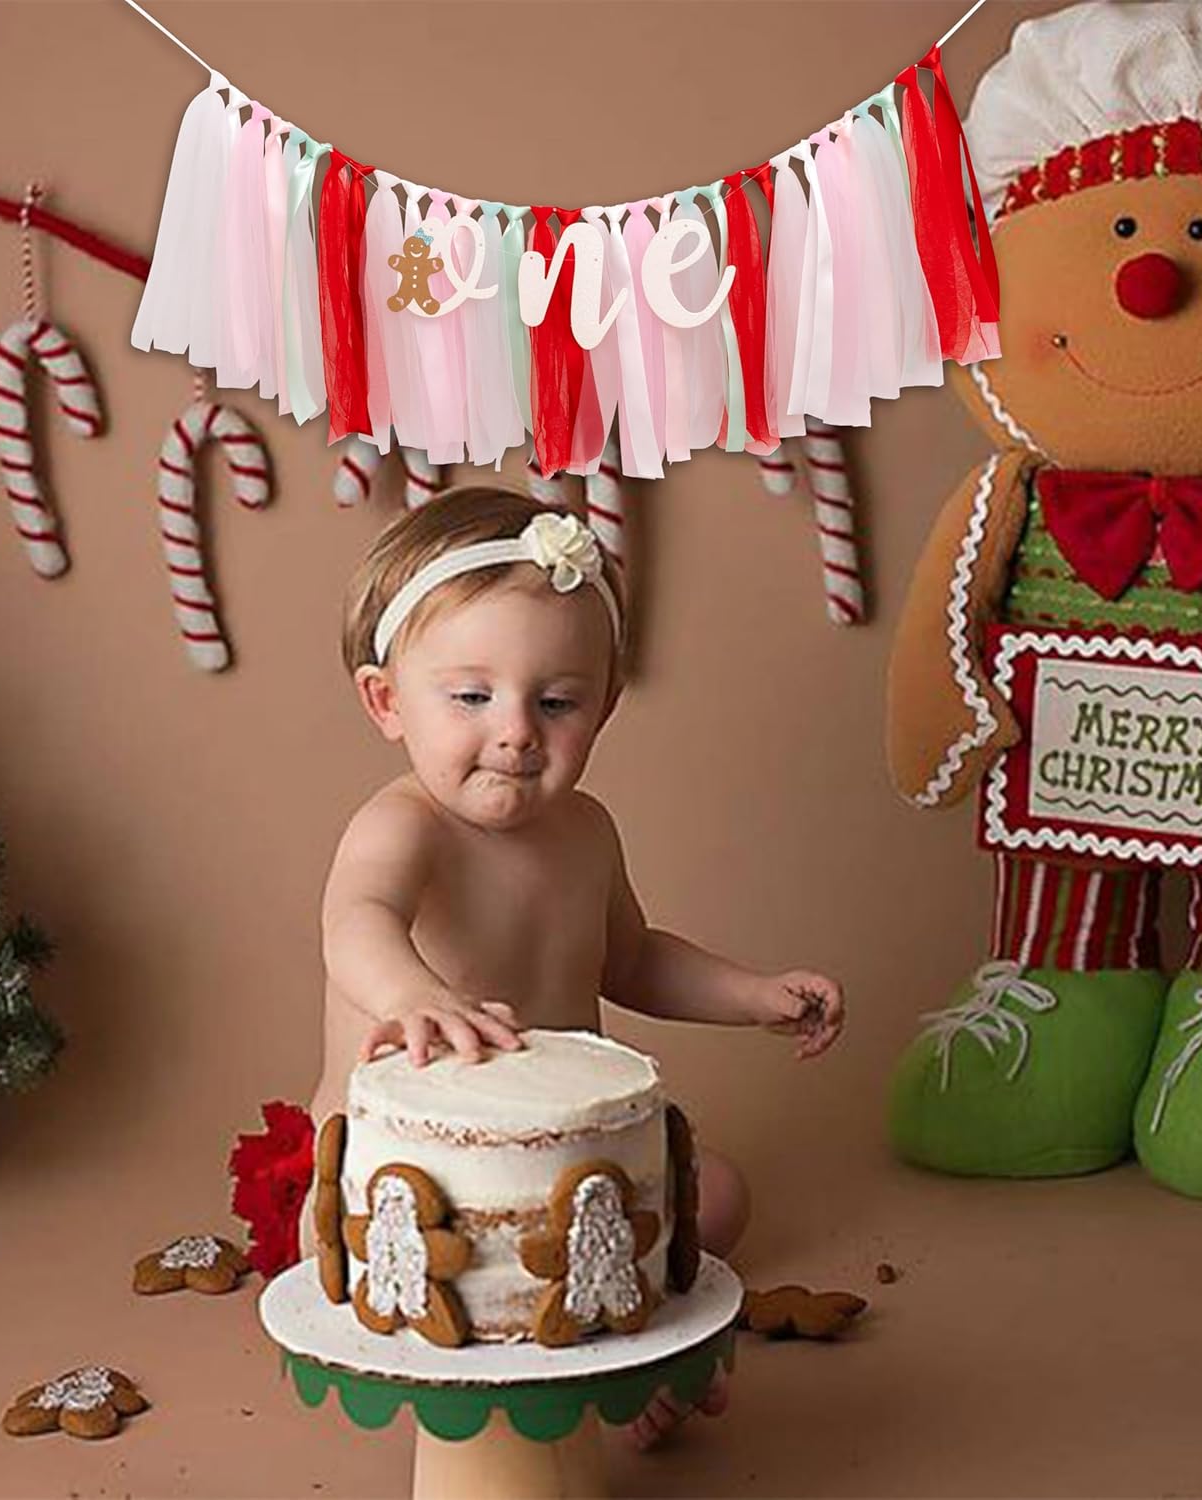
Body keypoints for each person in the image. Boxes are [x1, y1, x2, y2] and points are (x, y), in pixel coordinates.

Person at [312, 485, 844, 1444]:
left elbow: (632, 960)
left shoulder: (586, 830)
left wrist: (752, 995)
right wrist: (417, 995)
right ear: (386, 701)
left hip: (563, 1159)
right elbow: (356, 922)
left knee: (717, 1197)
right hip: (413, 1168)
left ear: (604, 704)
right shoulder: (403, 826)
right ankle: (590, 1380)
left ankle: (616, 1346)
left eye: (556, 701)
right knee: (455, 1281)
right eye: (471, 697)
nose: (516, 730)